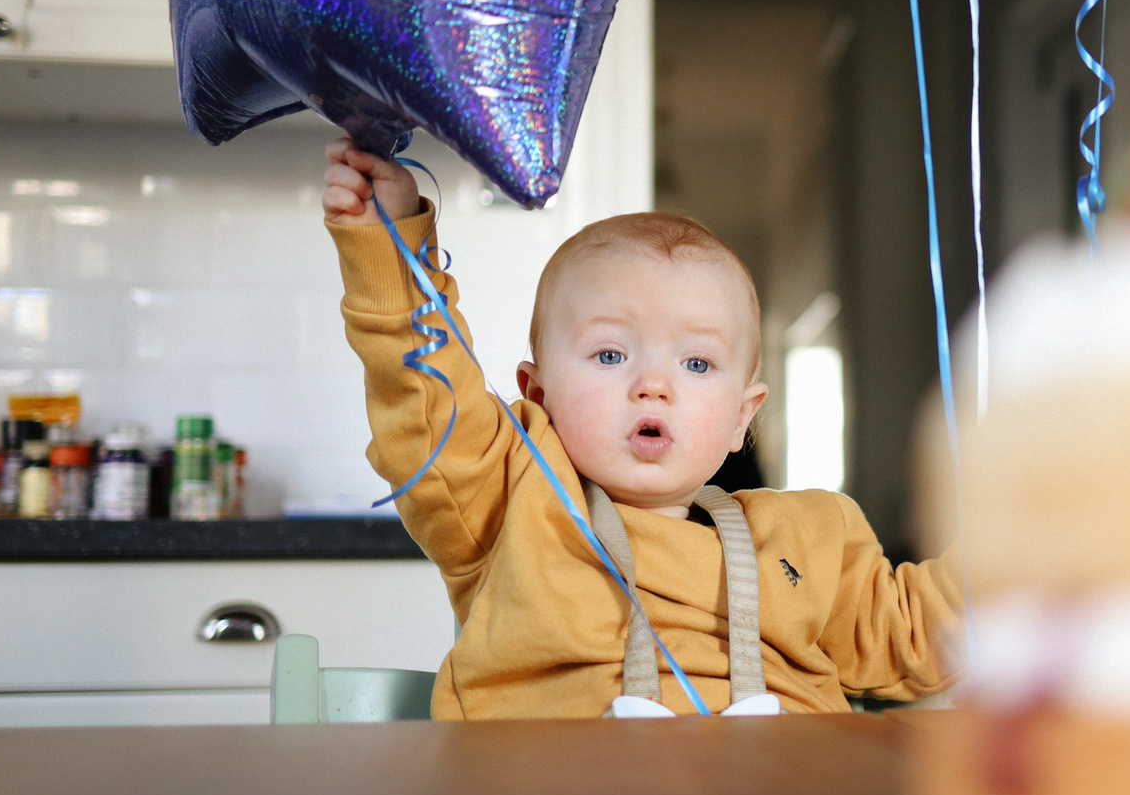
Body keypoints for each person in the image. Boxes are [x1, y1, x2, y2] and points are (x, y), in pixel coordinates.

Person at [321, 138, 959, 718]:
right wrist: (393, 246)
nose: (654, 384)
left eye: (698, 363)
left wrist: (1036, 549)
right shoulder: (506, 493)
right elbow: (424, 392)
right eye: (610, 355)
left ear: (743, 416)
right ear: (537, 394)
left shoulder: (815, 535)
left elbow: (912, 637)